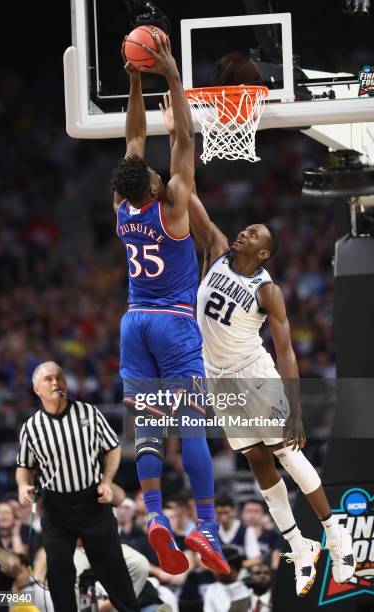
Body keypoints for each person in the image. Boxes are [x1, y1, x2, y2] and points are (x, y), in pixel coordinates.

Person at [159, 91, 355, 596]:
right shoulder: (219, 253)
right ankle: (298, 543)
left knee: (286, 450)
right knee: (258, 460)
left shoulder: (266, 287)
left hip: (252, 369)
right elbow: (190, 193)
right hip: (218, 375)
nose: (242, 231)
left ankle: (333, 533)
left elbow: (287, 349)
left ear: (263, 250)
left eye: (252, 233)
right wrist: (174, 136)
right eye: (244, 229)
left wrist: (293, 407)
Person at [111, 33, 229, 576]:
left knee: (150, 427)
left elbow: (134, 136)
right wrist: (173, 78)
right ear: (155, 185)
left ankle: (155, 515)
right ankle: (205, 527)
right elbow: (182, 136)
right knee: (194, 427)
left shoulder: (122, 206)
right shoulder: (174, 203)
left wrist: (133, 80)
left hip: (133, 323)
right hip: (174, 324)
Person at [15, 361, 139, 612]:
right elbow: (23, 466)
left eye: (59, 377)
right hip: (55, 507)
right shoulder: (31, 427)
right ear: (37, 389)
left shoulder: (89, 413)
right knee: (60, 575)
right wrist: (22, 486)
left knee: (113, 569)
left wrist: (106, 481)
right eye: (49, 379)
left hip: (92, 501)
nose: (56, 383)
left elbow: (113, 449)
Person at [214, 496, 261, 569]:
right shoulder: (212, 531)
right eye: (220, 513)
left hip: (240, 575)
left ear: (234, 511)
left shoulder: (246, 530)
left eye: (226, 512)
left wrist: (232, 566)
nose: (223, 516)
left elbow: (255, 559)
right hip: (217, 575)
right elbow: (200, 560)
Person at [203, 545, 252, 612]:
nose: (214, 571)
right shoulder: (212, 589)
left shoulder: (249, 589)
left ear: (230, 569)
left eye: (217, 567)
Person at [240, 499, 283, 570]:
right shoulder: (237, 533)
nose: (252, 515)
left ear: (263, 514)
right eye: (249, 511)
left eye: (257, 512)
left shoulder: (273, 535)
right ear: (242, 514)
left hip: (265, 575)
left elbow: (275, 563)